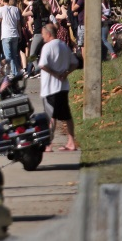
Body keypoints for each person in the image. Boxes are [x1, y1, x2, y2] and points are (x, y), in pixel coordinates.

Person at [38, 24, 80, 152]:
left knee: (51, 116)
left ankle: (48, 144)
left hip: (50, 87)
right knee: (66, 115)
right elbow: (75, 62)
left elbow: (42, 65)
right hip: (63, 87)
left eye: (43, 34)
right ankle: (71, 142)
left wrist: (55, 73)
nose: (42, 36)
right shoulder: (63, 45)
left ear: (49, 34)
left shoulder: (47, 47)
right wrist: (66, 73)